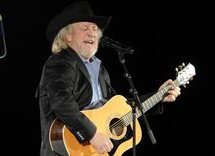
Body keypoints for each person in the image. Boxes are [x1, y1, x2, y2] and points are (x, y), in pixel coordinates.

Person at [37, 1, 181, 156]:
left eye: (94, 29)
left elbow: (120, 110)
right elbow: (61, 102)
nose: (92, 33)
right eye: (84, 28)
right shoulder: (60, 62)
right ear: (68, 36)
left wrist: (159, 96)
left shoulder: (102, 71)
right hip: (68, 150)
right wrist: (92, 134)